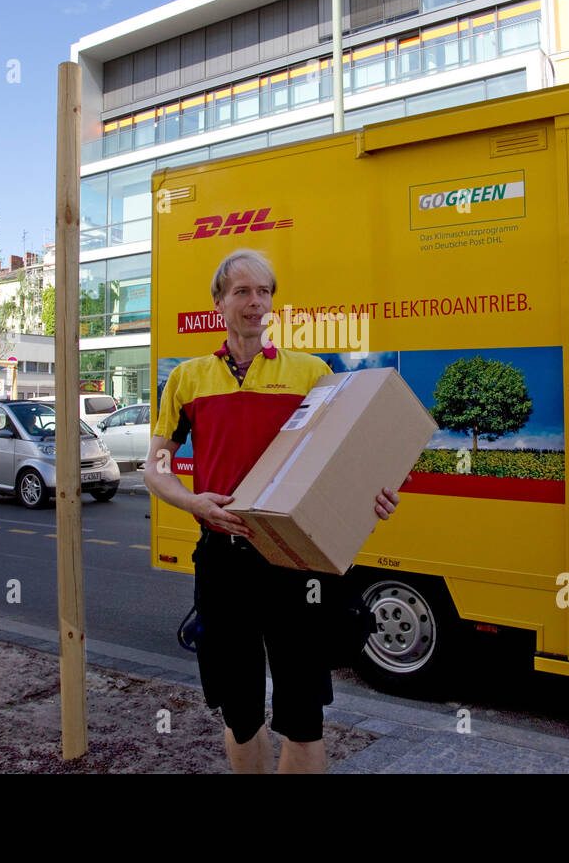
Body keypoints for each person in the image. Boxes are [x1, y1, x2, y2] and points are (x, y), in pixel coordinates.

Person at [144, 248, 403, 774]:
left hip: (295, 563)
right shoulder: (188, 379)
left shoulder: (311, 373)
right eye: (243, 291)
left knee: (304, 716)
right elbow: (156, 467)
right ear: (219, 303)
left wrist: (373, 494)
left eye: (265, 292)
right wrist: (192, 501)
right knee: (240, 714)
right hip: (223, 558)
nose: (256, 303)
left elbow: (349, 458)